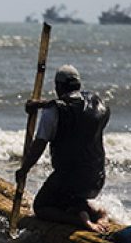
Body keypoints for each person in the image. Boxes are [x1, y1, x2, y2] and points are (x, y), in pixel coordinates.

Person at [15, 65, 112, 233]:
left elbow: (39, 144)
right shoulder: (99, 103)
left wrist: (24, 169)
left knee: (41, 206)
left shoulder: (53, 111)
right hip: (96, 179)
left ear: (58, 87)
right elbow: (75, 106)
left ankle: (79, 220)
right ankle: (98, 213)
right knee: (69, 200)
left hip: (69, 179)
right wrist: (40, 105)